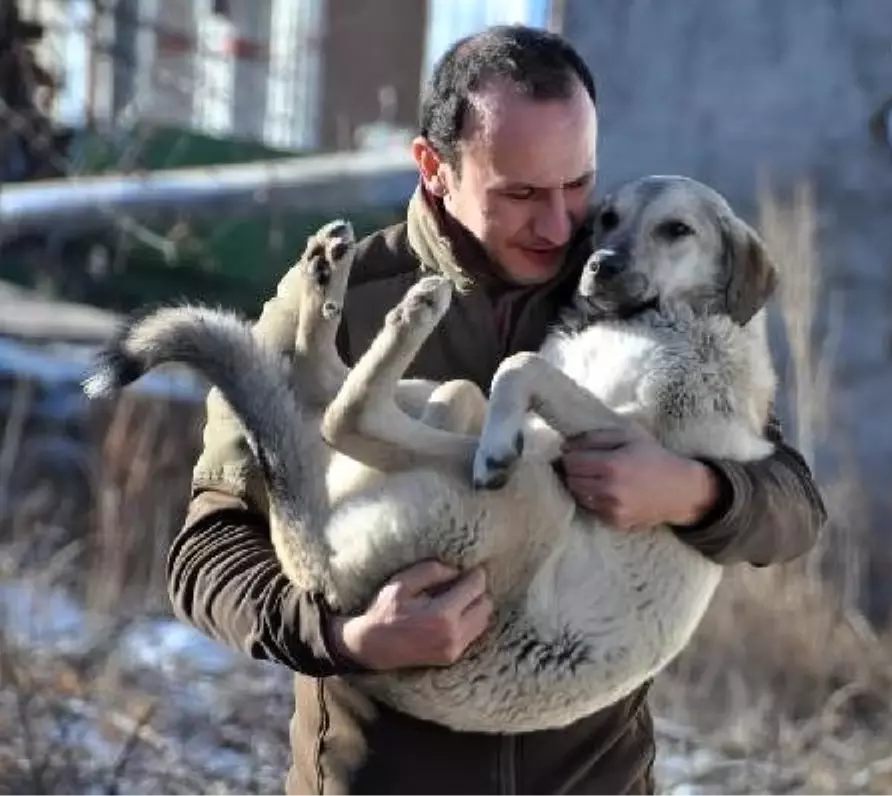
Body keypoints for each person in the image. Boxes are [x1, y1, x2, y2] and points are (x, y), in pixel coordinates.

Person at [169, 24, 828, 796]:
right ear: (435, 167)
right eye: (519, 194)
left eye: (577, 186)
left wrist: (694, 489)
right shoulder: (336, 299)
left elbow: (794, 506)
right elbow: (204, 555)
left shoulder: (631, 289)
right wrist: (346, 637)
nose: (559, 227)